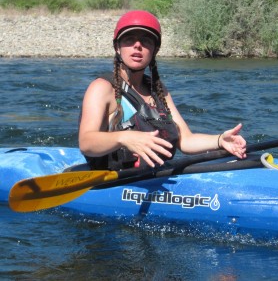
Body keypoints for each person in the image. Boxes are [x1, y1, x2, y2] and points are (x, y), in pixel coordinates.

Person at [79, 10, 246, 170]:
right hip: (115, 182)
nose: (138, 46)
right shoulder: (102, 88)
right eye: (129, 40)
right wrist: (124, 138)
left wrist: (220, 140)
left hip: (153, 177)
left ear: (155, 50)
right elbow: (86, 142)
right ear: (117, 47)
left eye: (146, 41)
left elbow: (186, 140)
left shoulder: (158, 91)